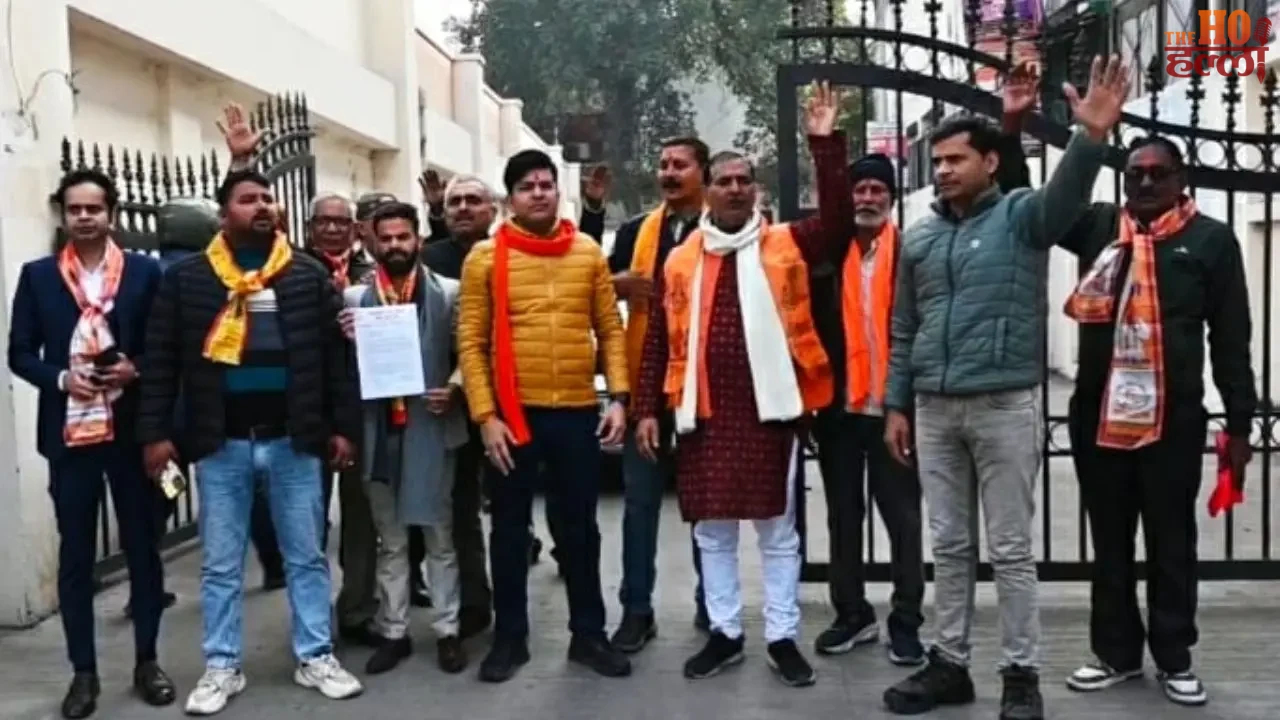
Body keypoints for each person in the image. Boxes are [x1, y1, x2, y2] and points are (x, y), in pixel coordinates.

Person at [879, 56, 1129, 720]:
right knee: (951, 545)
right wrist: (897, 405)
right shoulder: (921, 238)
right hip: (934, 408)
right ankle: (950, 664)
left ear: (991, 162)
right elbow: (904, 326)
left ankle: (1021, 672)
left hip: (1004, 405)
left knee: (1012, 548)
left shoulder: (1020, 218)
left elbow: (1065, 200)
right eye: (937, 162)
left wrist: (1092, 136)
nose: (943, 170)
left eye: (957, 159)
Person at [809, 62, 1040, 666]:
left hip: (899, 408)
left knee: (906, 522)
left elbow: (912, 328)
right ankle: (851, 614)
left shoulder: (914, 246)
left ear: (890, 200)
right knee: (841, 518)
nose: (865, 199)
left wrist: (900, 402)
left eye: (875, 192)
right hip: (838, 409)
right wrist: (827, 147)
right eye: (858, 191)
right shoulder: (828, 253)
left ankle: (907, 620)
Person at [632, 81, 856, 687]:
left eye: (744, 180)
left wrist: (824, 144)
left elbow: (838, 224)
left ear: (755, 189)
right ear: (708, 191)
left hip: (772, 411)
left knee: (778, 531)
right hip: (702, 411)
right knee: (713, 530)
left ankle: (782, 636)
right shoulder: (682, 257)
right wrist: (647, 407)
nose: (735, 188)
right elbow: (659, 335)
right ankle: (726, 633)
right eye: (725, 181)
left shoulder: (785, 241)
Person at [137, 169, 363, 714]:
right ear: (223, 215)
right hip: (222, 443)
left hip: (294, 440)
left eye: (267, 198)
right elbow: (162, 361)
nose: (262, 206)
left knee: (306, 556)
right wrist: (155, 434)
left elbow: (334, 361)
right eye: (247, 199)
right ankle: (222, 666)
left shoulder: (306, 276)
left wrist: (342, 428)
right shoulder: (189, 279)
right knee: (220, 562)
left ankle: (316, 655)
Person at [1057, 135, 1255, 706]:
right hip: (1099, 418)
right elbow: (1039, 210)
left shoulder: (1211, 241)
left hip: (1174, 419)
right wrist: (1024, 133)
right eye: (1134, 173)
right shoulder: (1097, 229)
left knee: (1171, 539)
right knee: (1110, 539)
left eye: (1157, 174)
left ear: (1180, 179)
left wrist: (1239, 423)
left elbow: (1233, 337)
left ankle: (1174, 657)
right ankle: (1116, 653)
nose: (1145, 183)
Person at [456, 149, 630, 683]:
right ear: (510, 198)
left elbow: (609, 329)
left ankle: (589, 636)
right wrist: (486, 418)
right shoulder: (485, 257)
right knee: (509, 530)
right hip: (513, 416)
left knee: (579, 527)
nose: (538, 192)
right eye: (527, 185)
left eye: (546, 184)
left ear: (559, 191)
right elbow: (472, 342)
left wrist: (620, 397)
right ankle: (510, 640)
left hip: (576, 411)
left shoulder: (586, 253)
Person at [8, 169, 176, 718]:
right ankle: (83, 673)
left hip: (131, 435)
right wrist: (61, 378)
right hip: (70, 437)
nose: (85, 217)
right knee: (76, 557)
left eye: (94, 209)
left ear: (112, 214)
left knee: (144, 550)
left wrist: (137, 369)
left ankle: (148, 660)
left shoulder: (145, 274)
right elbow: (20, 353)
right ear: (63, 214)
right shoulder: (37, 277)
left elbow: (168, 345)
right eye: (75, 209)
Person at [339, 201, 469, 675]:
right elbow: (344, 375)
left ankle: (447, 630)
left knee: (440, 536)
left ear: (417, 239)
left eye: (403, 237)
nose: (395, 245)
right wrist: (349, 341)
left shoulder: (449, 293)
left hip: (432, 427)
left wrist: (454, 388)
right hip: (379, 430)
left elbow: (469, 351)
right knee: (390, 541)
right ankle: (394, 631)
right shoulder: (355, 300)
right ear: (372, 242)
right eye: (386, 238)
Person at [608, 134, 714, 651]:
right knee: (639, 502)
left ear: (704, 173)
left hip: (704, 384)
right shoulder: (638, 231)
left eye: (680, 165)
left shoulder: (723, 229)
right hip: (644, 377)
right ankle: (636, 609)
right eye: (664, 165)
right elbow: (601, 291)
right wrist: (618, 285)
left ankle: (712, 604)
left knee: (703, 503)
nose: (669, 173)